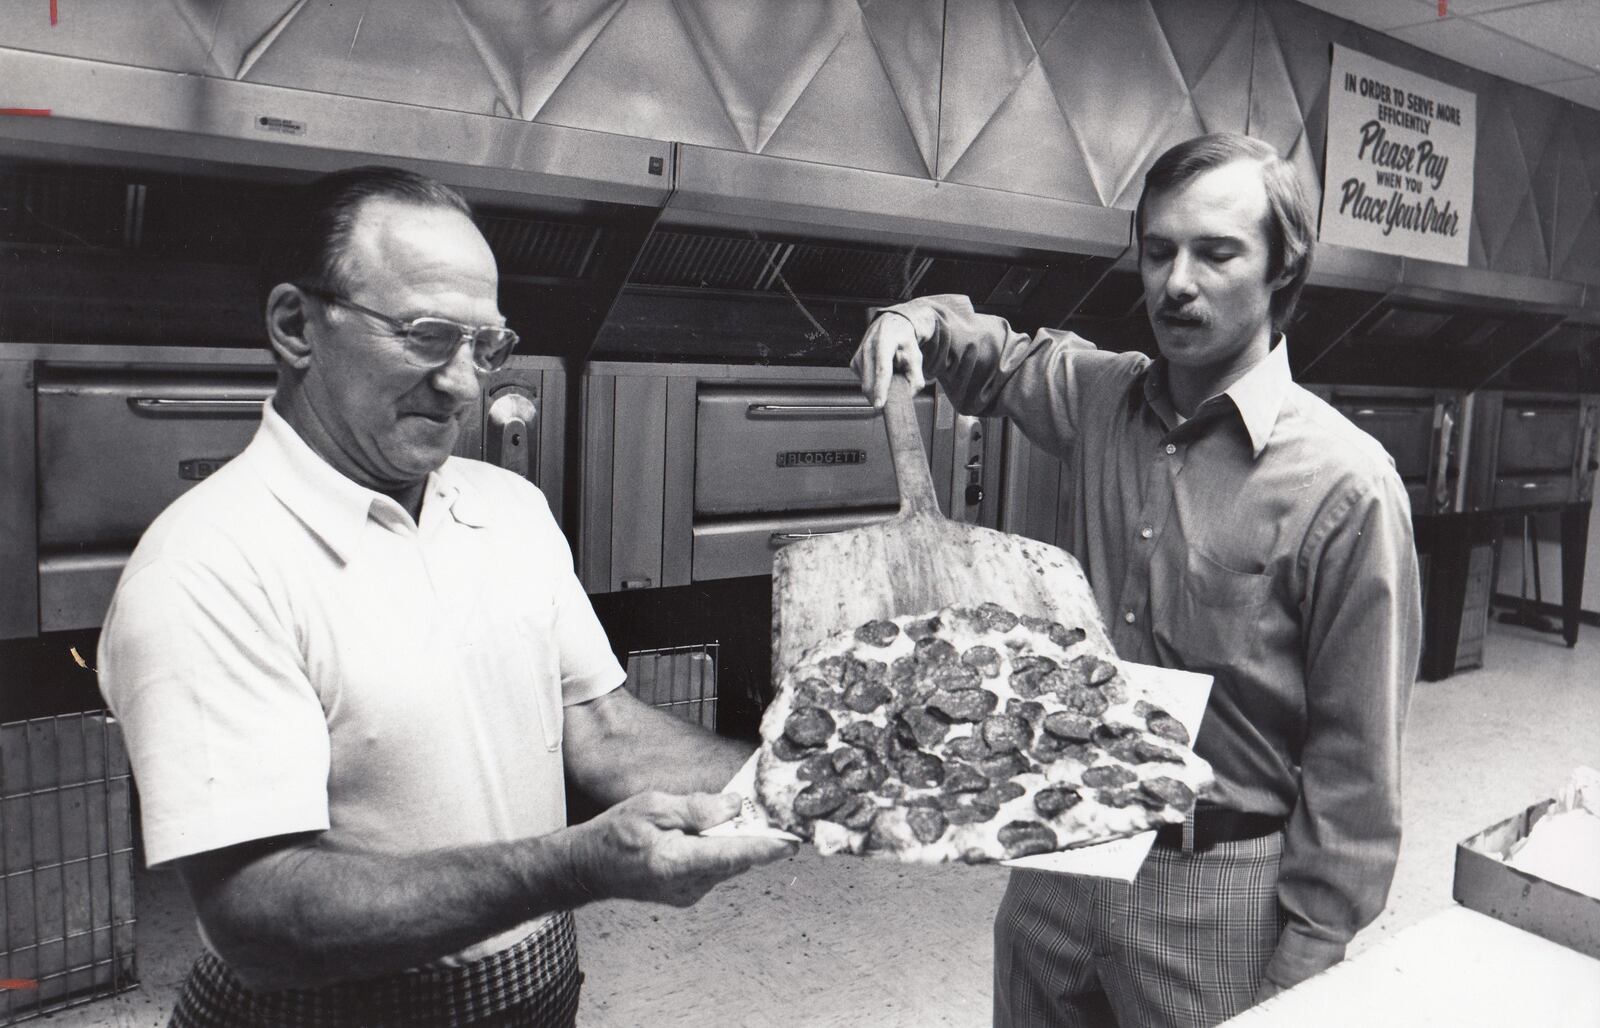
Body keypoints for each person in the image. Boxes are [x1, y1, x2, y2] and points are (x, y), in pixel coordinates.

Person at [97, 166, 796, 1028]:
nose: (465, 385)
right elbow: (257, 918)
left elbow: (604, 731)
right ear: (295, 326)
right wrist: (574, 866)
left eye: (486, 346)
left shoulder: (508, 509)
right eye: (427, 335)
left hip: (534, 994)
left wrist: (819, 777)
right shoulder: (206, 566)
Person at [853, 133, 1420, 1027]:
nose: (1177, 282)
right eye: (1158, 252)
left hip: (1219, 887)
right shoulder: (1104, 397)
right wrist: (914, 320)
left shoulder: (1347, 486)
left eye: (1216, 252)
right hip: (1065, 847)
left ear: (1284, 270)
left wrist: (1309, 954)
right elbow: (998, 358)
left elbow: (1359, 765)